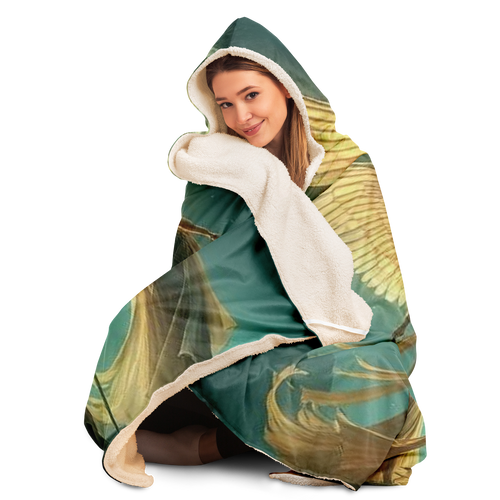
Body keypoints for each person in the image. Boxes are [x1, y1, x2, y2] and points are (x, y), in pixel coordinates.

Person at [83, 15, 429, 490]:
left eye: (251, 95)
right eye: (226, 103)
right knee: (140, 328)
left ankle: (210, 448)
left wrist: (274, 187)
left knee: (371, 384)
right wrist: (257, 176)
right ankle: (202, 442)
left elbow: (378, 303)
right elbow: (195, 278)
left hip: (343, 337)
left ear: (286, 87)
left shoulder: (348, 167)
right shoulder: (219, 168)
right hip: (244, 336)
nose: (241, 116)